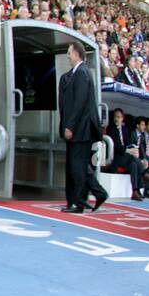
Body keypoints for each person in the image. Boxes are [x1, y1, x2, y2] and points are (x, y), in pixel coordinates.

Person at [58, 41, 107, 213]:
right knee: (80, 166)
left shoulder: (82, 73)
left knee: (78, 167)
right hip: (80, 129)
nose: (68, 56)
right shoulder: (78, 73)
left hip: (81, 130)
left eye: (69, 53)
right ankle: (99, 193)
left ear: (77, 54)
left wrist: (70, 126)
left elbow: (79, 104)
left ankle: (79, 203)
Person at [105, 108, 144, 201]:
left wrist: (132, 149)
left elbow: (128, 143)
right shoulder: (111, 128)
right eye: (115, 117)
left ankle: (135, 191)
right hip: (116, 157)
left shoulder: (125, 129)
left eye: (119, 117)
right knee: (135, 160)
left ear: (122, 118)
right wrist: (128, 151)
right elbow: (116, 146)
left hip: (126, 158)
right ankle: (142, 172)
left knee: (134, 165)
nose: (116, 119)